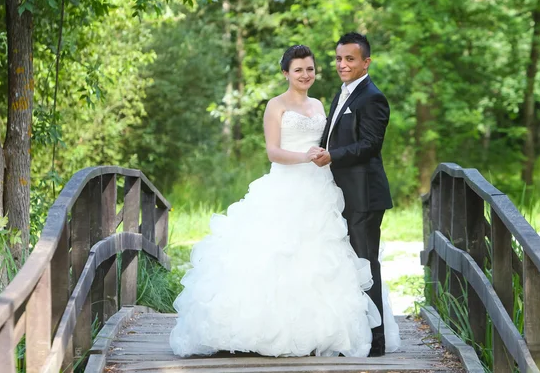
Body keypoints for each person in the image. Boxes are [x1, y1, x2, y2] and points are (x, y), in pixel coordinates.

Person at [169, 45, 399, 358]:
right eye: (299, 70)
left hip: (322, 188)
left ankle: (325, 332)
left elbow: (333, 142)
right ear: (286, 74)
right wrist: (305, 156)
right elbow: (273, 152)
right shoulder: (275, 106)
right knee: (278, 254)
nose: (306, 75)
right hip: (286, 186)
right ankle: (264, 330)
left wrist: (325, 157)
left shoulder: (320, 104)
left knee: (325, 258)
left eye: (310, 69)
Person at [314, 32, 396, 357]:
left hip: (364, 196)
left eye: (349, 59)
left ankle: (376, 343)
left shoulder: (372, 97)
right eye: (338, 59)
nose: (342, 65)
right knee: (346, 265)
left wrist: (332, 156)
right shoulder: (344, 93)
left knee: (365, 263)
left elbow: (370, 145)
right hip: (342, 194)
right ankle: (353, 333)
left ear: (366, 61)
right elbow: (332, 136)